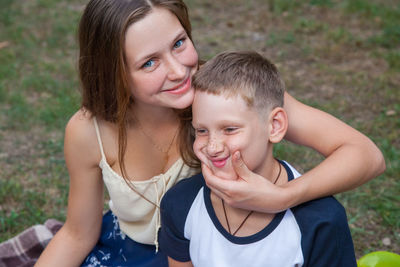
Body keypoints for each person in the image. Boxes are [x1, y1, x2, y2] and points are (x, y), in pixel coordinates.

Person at [34, 0, 384, 266]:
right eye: (149, 63)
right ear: (115, 74)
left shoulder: (228, 96)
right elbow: (79, 233)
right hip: (132, 253)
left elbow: (365, 155)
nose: (178, 70)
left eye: (179, 43)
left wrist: (286, 196)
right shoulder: (87, 130)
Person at [159, 51, 357, 267]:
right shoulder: (181, 203)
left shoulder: (321, 221)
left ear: (274, 126)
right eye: (202, 131)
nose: (213, 147)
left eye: (230, 129)